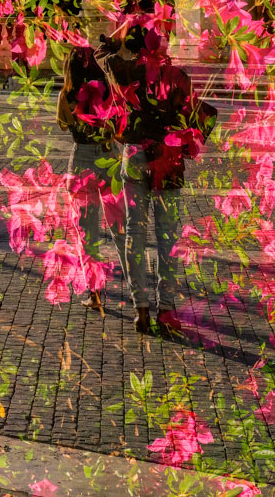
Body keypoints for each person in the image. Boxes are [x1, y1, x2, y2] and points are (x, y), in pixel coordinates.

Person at [118, 30, 216, 336]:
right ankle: (167, 309)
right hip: (168, 159)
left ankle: (140, 309)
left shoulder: (126, 71)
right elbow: (192, 116)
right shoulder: (179, 76)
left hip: (134, 157)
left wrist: (118, 41)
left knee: (135, 232)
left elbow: (102, 56)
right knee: (168, 239)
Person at [58, 35, 131, 312]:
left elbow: (64, 125)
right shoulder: (109, 93)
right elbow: (120, 126)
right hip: (109, 159)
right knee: (120, 227)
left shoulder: (66, 94)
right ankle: (136, 289)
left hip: (81, 163)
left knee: (86, 233)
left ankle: (95, 291)